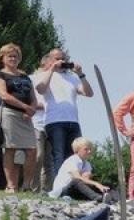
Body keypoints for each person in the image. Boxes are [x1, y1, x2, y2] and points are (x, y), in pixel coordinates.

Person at [33, 49, 93, 178]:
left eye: (63, 58)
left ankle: (73, 188)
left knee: (74, 156)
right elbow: (41, 89)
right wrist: (52, 70)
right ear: (49, 60)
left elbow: (89, 93)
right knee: (58, 155)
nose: (61, 61)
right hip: (54, 121)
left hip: (73, 121)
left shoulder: (72, 77)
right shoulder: (44, 75)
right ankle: (60, 189)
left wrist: (81, 74)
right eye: (57, 58)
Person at [0, 43, 41, 192]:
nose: (13, 58)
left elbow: (33, 96)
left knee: (32, 150)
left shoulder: (24, 76)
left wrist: (31, 108)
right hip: (9, 114)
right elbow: (4, 95)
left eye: (15, 56)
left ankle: (26, 185)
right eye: (10, 56)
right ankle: (11, 185)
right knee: (10, 148)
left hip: (26, 117)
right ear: (2, 58)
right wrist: (25, 107)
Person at [50, 137, 110, 201]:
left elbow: (86, 180)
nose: (89, 151)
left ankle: (110, 196)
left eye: (90, 149)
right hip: (63, 191)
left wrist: (95, 183)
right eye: (86, 149)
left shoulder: (87, 164)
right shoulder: (72, 160)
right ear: (77, 150)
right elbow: (77, 178)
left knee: (105, 184)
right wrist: (96, 184)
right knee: (76, 181)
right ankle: (98, 198)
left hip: (75, 191)